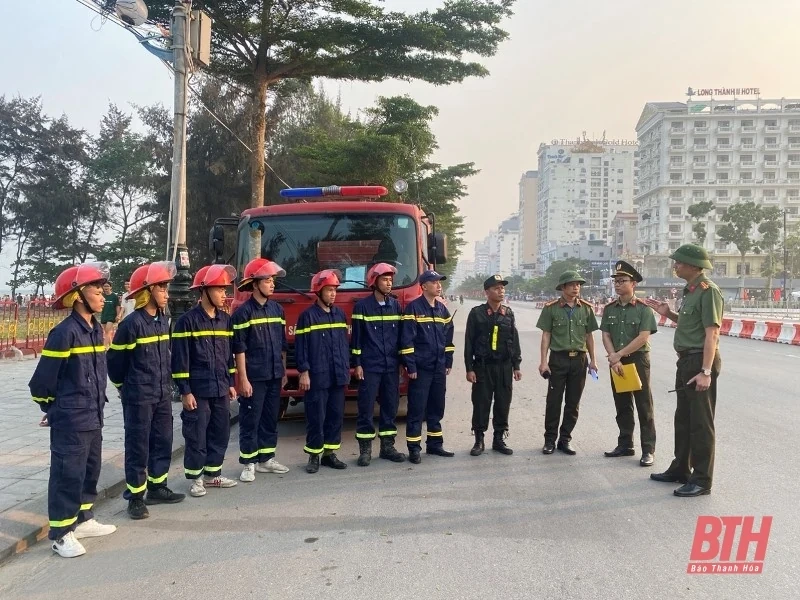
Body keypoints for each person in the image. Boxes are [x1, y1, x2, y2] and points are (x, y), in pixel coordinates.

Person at [29, 262, 117, 558]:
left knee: (88, 471)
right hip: (71, 418)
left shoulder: (94, 330)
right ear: (78, 295)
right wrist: (52, 409)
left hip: (93, 414)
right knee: (67, 475)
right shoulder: (64, 333)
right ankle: (60, 534)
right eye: (96, 288)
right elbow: (41, 383)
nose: (103, 294)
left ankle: (83, 520)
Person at [107, 262, 185, 520]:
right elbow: (115, 365)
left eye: (166, 287)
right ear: (147, 291)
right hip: (139, 397)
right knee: (138, 446)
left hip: (161, 394)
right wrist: (124, 388)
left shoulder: (163, 320)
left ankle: (157, 487)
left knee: (162, 441)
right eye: (162, 287)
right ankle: (136, 498)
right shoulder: (130, 325)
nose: (167, 292)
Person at [645, 244, 723, 497]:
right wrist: (669, 314)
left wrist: (706, 371)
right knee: (684, 419)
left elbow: (712, 333)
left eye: (678, 262)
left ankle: (702, 480)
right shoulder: (690, 292)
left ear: (692, 265)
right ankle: (681, 469)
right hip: (687, 361)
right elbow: (692, 324)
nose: (675, 265)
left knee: (701, 423)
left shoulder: (708, 291)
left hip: (700, 361)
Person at [171, 264, 239, 498]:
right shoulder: (186, 322)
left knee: (220, 432)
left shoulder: (225, 320)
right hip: (198, 389)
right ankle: (196, 478)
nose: (224, 294)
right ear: (204, 291)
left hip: (220, 386)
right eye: (219, 289)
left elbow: (228, 355)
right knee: (196, 434)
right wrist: (185, 391)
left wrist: (231, 382)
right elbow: (180, 360)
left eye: (225, 289)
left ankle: (212, 475)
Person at [231, 258, 291, 482]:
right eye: (268, 280)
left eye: (273, 280)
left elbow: (282, 345)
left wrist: (283, 372)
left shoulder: (277, 309)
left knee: (269, 418)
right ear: (254, 284)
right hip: (254, 377)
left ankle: (266, 459)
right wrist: (242, 379)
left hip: (274, 374)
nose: (272, 284)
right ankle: (248, 462)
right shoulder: (243, 313)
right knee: (250, 419)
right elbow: (240, 349)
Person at [600, 261, 658, 467]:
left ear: (633, 283)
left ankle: (648, 450)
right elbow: (605, 334)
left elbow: (643, 337)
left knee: (644, 405)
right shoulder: (609, 308)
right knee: (622, 404)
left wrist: (619, 354)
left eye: (622, 281)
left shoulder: (644, 309)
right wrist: (612, 356)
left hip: (637, 359)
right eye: (615, 281)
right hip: (616, 360)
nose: (617, 284)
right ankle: (625, 444)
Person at [536, 271, 599, 455]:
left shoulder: (586, 308)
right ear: (562, 287)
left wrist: (593, 360)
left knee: (573, 403)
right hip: (558, 359)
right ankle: (549, 440)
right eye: (571, 284)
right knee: (554, 401)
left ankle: (565, 439)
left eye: (578, 284)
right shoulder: (551, 308)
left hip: (579, 360)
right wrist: (543, 361)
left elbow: (589, 336)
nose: (576, 287)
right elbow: (546, 335)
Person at [351, 263, 406, 466]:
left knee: (390, 406)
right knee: (365, 407)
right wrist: (357, 364)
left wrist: (401, 361)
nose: (389, 283)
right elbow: (356, 340)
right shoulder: (362, 307)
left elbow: (400, 337)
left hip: (391, 366)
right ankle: (365, 450)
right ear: (374, 282)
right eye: (385, 279)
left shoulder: (396, 306)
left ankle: (387, 447)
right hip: (370, 366)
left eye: (391, 280)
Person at [296, 270, 351, 473]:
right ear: (318, 292)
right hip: (318, 375)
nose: (333, 294)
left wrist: (346, 369)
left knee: (335, 416)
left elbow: (343, 345)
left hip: (337, 374)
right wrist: (304, 372)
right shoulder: (307, 317)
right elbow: (301, 347)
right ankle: (313, 455)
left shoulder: (339, 314)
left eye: (335, 290)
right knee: (316, 416)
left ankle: (329, 454)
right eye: (329, 290)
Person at [400, 270, 456, 464]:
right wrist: (411, 366)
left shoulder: (442, 310)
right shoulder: (413, 309)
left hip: (439, 368)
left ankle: (435, 444)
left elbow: (448, 337)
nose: (439, 285)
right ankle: (414, 448)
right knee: (417, 409)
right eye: (435, 282)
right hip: (421, 369)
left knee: (436, 407)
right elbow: (406, 341)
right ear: (424, 286)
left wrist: (448, 360)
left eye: (440, 282)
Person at [464, 275, 522, 456]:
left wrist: (516, 365)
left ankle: (499, 439)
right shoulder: (476, 313)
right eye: (497, 288)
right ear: (487, 292)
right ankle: (479, 439)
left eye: (502, 288)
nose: (501, 291)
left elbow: (514, 340)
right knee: (481, 403)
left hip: (504, 366)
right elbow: (469, 342)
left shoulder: (508, 313)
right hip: (483, 366)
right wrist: (469, 368)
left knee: (503, 403)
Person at [100, 282, 122, 348]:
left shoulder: (114, 296)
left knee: (107, 331)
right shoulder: (102, 296)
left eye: (107, 286)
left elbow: (117, 306)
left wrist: (118, 315)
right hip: (104, 315)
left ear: (110, 287)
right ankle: (111, 346)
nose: (106, 288)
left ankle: (104, 347)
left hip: (111, 316)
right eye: (104, 286)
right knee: (107, 332)